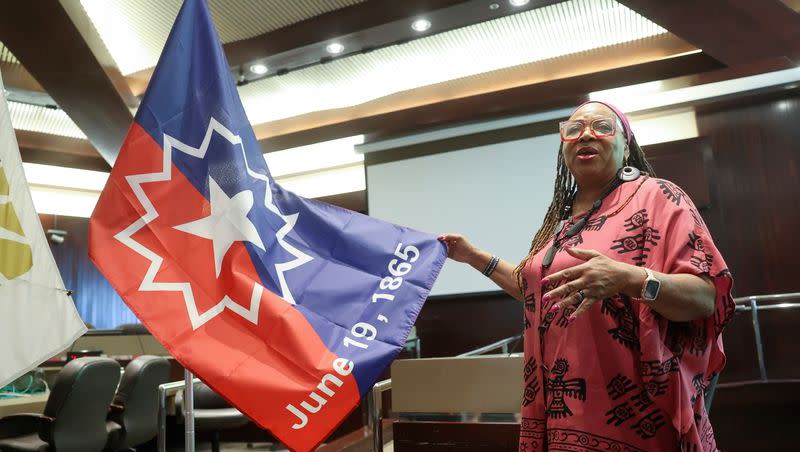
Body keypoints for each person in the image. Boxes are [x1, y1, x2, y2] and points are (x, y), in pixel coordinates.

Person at [438, 101, 734, 451]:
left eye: (602, 127)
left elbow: (704, 298)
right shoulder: (562, 220)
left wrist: (628, 278)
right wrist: (473, 256)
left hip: (631, 412)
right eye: (574, 129)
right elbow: (536, 289)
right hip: (556, 408)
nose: (586, 135)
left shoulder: (658, 197)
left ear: (627, 146)